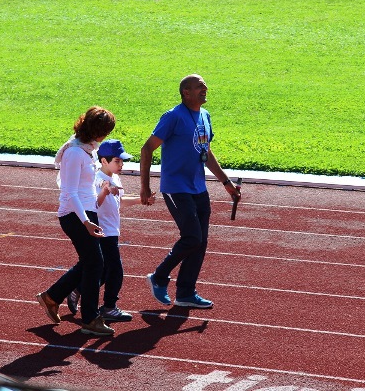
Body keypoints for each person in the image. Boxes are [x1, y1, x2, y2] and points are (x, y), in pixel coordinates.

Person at [139, 74, 241, 309]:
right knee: (192, 237)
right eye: (199, 86)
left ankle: (185, 292)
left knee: (201, 241)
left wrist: (226, 183)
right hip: (176, 187)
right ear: (186, 92)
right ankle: (159, 276)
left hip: (198, 187)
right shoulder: (172, 117)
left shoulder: (205, 116)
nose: (205, 88)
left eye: (205, 85)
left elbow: (206, 152)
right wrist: (145, 186)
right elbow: (147, 149)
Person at [36, 106, 116, 336]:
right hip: (75, 216)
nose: (105, 136)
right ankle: (90, 318)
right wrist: (86, 222)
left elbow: (83, 186)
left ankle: (51, 297)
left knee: (90, 262)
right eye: (105, 131)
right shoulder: (74, 153)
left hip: (86, 213)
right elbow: (70, 192)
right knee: (96, 264)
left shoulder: (86, 149)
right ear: (97, 131)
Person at [67, 139, 156, 322]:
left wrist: (142, 200)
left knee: (106, 271)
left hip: (112, 231)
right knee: (115, 271)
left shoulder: (114, 178)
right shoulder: (98, 180)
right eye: (117, 161)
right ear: (104, 161)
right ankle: (108, 307)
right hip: (103, 231)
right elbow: (93, 205)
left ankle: (78, 289)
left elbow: (120, 201)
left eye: (122, 161)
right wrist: (105, 192)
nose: (121, 164)